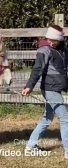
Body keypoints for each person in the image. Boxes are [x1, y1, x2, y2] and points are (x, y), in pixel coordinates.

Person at [22, 25, 68, 158]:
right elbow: (37, 70)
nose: (49, 42)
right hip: (49, 88)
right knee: (65, 118)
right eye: (48, 39)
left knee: (47, 119)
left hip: (57, 88)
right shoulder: (44, 51)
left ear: (60, 39)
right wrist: (29, 86)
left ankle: (30, 146)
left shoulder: (64, 50)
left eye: (53, 39)